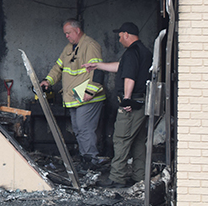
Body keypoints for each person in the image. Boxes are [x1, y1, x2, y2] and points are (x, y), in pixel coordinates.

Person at [83, 21, 153, 188]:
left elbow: (129, 76)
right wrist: (97, 65)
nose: (120, 39)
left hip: (131, 103)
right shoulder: (143, 52)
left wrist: (127, 99)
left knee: (120, 139)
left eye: (120, 35)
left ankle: (117, 178)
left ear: (127, 34)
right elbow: (121, 68)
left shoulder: (131, 53)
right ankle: (139, 176)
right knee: (137, 141)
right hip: (142, 102)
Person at [40, 18, 106, 168]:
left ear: (77, 30)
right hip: (75, 96)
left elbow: (98, 69)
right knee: (78, 129)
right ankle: (86, 158)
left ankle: (91, 160)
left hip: (88, 96)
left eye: (68, 33)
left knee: (84, 128)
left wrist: (90, 91)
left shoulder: (90, 45)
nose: (67, 36)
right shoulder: (69, 48)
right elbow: (58, 67)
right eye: (65, 33)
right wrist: (48, 81)